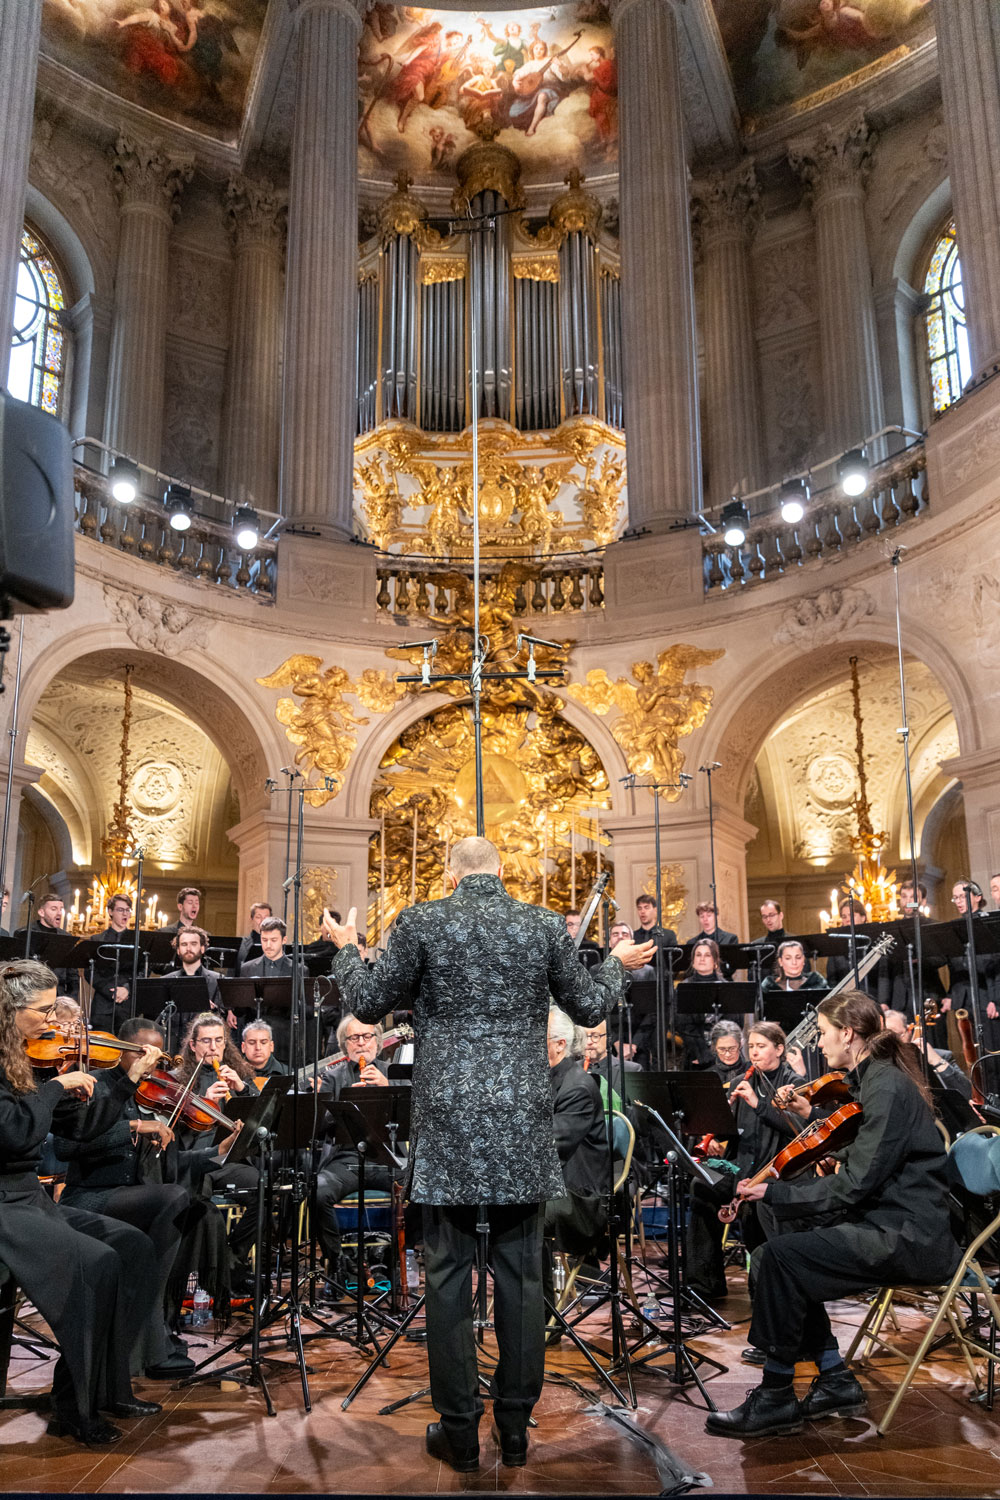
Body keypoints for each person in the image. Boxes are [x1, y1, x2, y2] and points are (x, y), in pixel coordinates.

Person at [323, 835, 653, 1472]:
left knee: (446, 1279)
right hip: (521, 1123)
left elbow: (365, 1002)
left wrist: (344, 950)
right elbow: (589, 1005)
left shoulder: (421, 920)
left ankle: (460, 1432)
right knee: (522, 1278)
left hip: (448, 1123)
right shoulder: (539, 924)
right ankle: (515, 1425)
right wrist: (615, 961)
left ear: (450, 871)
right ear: (503, 871)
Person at [706, 990, 962, 1438]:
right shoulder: (872, 1081)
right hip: (884, 1219)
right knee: (778, 1244)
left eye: (823, 1034)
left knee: (779, 1258)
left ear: (848, 1033)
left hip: (905, 1235)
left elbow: (857, 1182)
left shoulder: (885, 1086)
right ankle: (832, 1377)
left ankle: (777, 1395)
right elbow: (865, 1157)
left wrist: (775, 1192)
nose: (819, 1045)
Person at [0, 959, 163, 1445]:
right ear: (10, 1010)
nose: (52, 1021)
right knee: (94, 1263)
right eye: (44, 1011)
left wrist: (126, 1080)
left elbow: (83, 1127)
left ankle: (106, 1386)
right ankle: (75, 1409)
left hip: (26, 1197)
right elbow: (14, 1132)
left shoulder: (31, 1057)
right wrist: (54, 1087)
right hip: (4, 1202)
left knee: (128, 1248)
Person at [51, 1013, 197, 1381]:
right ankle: (152, 1337)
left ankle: (153, 1329)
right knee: (173, 1200)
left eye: (158, 1056)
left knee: (191, 1210)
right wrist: (133, 1125)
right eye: (142, 1054)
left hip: (128, 1197)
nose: (151, 1062)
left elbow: (176, 1161)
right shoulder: (96, 1084)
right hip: (88, 1197)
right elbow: (68, 1145)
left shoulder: (153, 1092)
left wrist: (220, 1150)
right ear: (120, 1050)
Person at [687, 1021, 800, 1306]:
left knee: (756, 1205)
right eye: (751, 1047)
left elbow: (799, 1130)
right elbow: (733, 1131)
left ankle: (762, 1288)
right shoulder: (743, 1081)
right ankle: (704, 1283)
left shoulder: (794, 1083)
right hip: (737, 1166)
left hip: (775, 1171)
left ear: (779, 1049)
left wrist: (758, 1104)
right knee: (701, 1180)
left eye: (761, 1047)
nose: (754, 1053)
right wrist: (713, 1136)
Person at [313, 1014, 399, 1287]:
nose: (361, 1043)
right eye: (354, 1038)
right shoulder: (333, 1077)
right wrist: (346, 1099)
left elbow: (413, 1119)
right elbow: (318, 1127)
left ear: (378, 1040)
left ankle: (391, 1260)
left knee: (426, 1190)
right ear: (344, 1045)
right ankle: (340, 1263)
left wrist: (388, 1089)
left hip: (386, 1158)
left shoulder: (392, 1072)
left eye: (367, 1036)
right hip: (346, 1159)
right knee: (317, 1191)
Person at [543, 1006, 608, 1313]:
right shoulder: (544, 1078)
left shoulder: (578, 1086)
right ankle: (523, 1307)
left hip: (578, 1199)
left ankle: (541, 1316)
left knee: (520, 1214)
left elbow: (551, 1147)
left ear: (559, 1044)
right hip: (552, 1187)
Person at [90, 893, 134, 1032]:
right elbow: (90, 971)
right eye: (120, 910)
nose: (125, 914)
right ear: (110, 912)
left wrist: (127, 988)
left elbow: (141, 970)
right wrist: (112, 991)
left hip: (127, 1004)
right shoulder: (97, 939)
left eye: (128, 910)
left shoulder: (137, 940)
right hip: (103, 1004)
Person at [163, 927, 222, 1012]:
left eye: (193, 944)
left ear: (202, 948)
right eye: (184, 944)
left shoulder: (218, 980)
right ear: (178, 950)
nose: (188, 949)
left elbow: (222, 1017)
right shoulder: (165, 981)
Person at [707, 1019, 746, 1092]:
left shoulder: (754, 1072)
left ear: (740, 1045)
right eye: (722, 1049)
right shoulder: (707, 1077)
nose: (727, 1054)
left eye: (732, 1048)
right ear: (715, 1047)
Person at [236, 901, 273, 970]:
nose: (263, 921)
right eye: (258, 917)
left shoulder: (277, 944)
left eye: (266, 917)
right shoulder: (240, 944)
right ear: (251, 919)